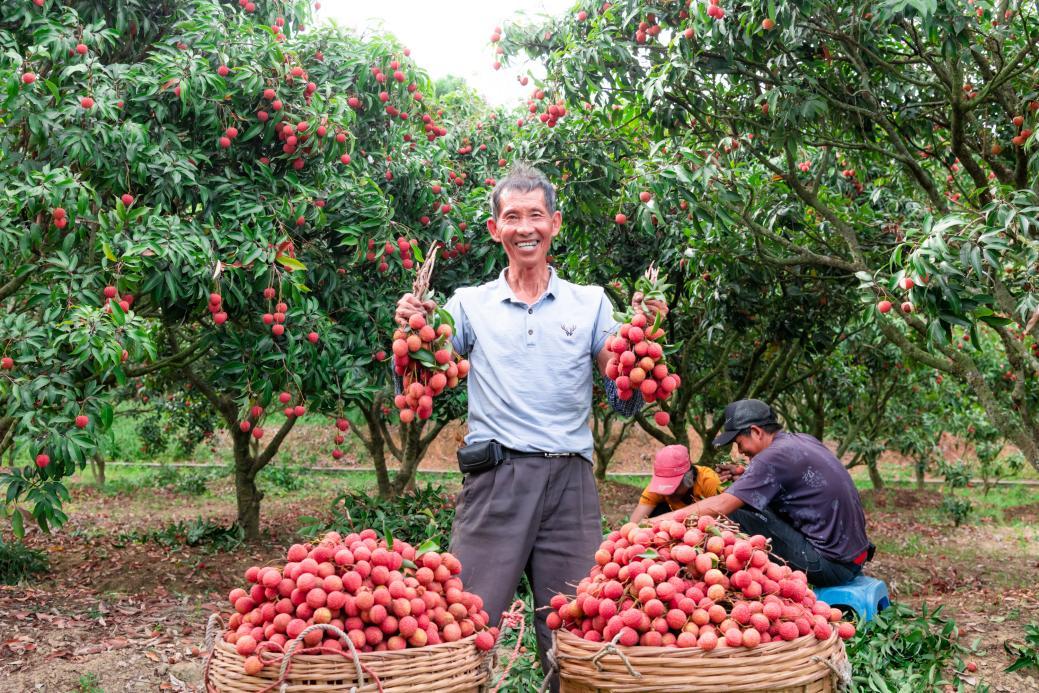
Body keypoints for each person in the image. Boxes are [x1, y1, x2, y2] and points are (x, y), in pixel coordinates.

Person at [394, 163, 666, 690]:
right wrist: (414, 333)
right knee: (464, 623)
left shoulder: (590, 303)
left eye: (536, 215)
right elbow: (421, 383)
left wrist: (641, 342)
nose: (525, 227)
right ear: (495, 229)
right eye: (512, 216)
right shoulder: (469, 304)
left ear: (555, 223)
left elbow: (622, 397)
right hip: (496, 481)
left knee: (577, 634)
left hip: (571, 486)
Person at [661, 399, 872, 587]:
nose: (740, 451)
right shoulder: (800, 440)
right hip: (852, 557)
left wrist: (654, 523)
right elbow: (791, 482)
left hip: (829, 566)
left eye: (738, 443)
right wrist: (744, 475)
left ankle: (719, 582)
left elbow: (722, 505)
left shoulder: (771, 458)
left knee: (730, 514)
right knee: (745, 504)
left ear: (756, 431)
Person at [629, 444, 723, 523]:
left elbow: (724, 518)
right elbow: (634, 524)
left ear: (689, 477)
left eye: (673, 487)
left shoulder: (708, 481)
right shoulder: (657, 489)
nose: (667, 493)